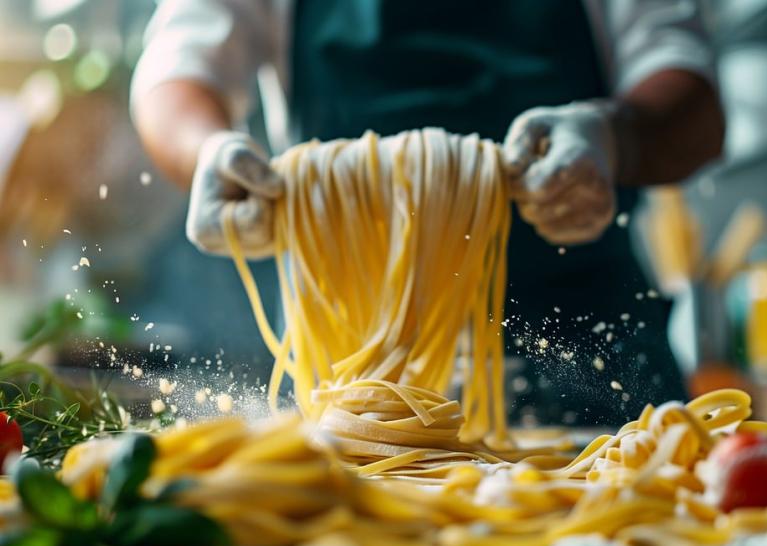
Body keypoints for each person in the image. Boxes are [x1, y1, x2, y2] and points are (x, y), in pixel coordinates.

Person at [131, 0, 725, 425]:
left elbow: (695, 102)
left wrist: (612, 136)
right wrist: (206, 149)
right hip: (362, 390)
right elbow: (175, 72)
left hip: (595, 363)